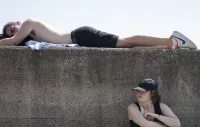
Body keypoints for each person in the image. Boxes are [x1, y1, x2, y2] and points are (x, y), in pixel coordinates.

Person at [0, 19, 197, 49]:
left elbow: (14, 41)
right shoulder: (30, 37)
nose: (13, 33)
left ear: (18, 23)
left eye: (12, 28)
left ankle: (173, 40)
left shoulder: (27, 22)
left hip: (81, 35)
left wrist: (6, 39)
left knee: (125, 41)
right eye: (10, 32)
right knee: (127, 45)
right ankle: (173, 44)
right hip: (80, 39)